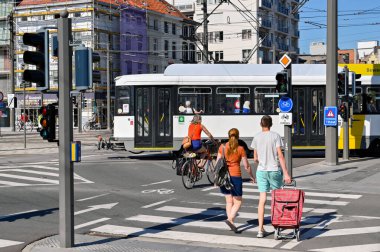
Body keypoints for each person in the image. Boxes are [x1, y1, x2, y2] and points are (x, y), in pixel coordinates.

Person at [251, 115, 291, 238]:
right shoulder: (275, 136)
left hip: (261, 171)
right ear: (271, 124)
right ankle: (276, 226)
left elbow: (255, 158)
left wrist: (262, 162)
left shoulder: (256, 137)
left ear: (260, 124)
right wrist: (286, 173)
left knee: (262, 199)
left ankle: (260, 230)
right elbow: (280, 156)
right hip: (274, 170)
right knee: (276, 199)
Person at [216, 128, 255, 233]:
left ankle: (231, 222)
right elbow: (246, 166)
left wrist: (216, 179)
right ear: (238, 136)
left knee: (229, 201)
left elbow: (217, 164)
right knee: (238, 201)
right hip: (235, 176)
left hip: (224, 176)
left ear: (228, 136)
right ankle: (230, 219)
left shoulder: (222, 147)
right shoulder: (241, 149)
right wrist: (252, 176)